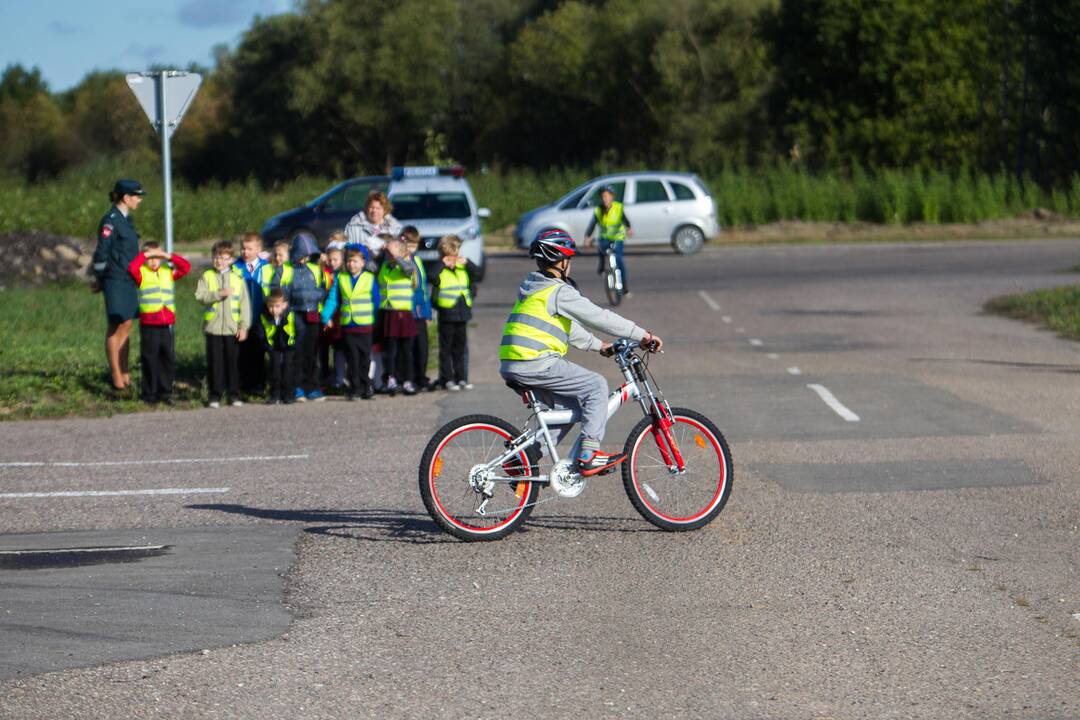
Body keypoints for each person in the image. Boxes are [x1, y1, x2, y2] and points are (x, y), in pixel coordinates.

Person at [499, 229, 662, 477]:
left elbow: (568, 328)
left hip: (515, 362)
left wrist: (600, 346)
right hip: (534, 361)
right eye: (569, 259)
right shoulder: (558, 291)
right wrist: (642, 335)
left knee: (569, 407)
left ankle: (525, 457)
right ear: (561, 261)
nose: (571, 264)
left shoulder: (535, 288)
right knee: (596, 386)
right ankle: (589, 455)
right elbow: (599, 317)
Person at [91, 179, 145, 393]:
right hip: (114, 279)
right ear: (126, 197)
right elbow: (102, 251)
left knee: (127, 324)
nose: (139, 200)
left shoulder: (127, 220)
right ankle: (115, 375)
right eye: (137, 196)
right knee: (116, 325)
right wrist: (99, 277)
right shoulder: (111, 220)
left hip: (129, 279)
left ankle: (125, 371)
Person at [127, 241, 191, 405]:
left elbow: (186, 267)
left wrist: (168, 256)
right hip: (149, 324)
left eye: (157, 257)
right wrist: (145, 255)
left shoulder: (167, 272)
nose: (154, 261)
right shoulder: (141, 273)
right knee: (150, 358)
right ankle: (149, 393)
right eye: (151, 258)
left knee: (167, 358)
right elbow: (132, 268)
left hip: (166, 323)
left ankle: (165, 391)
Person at [195, 240, 250, 408]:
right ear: (212, 258)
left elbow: (244, 305)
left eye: (224, 258)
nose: (220, 261)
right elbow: (200, 296)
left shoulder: (237, 278)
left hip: (232, 329)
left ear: (231, 260)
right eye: (217, 257)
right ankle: (215, 395)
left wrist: (243, 327)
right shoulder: (207, 276)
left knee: (233, 363)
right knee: (215, 363)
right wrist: (218, 294)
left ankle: (234, 394)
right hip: (213, 328)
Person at [321, 247, 380, 400]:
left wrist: (375, 319)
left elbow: (376, 301)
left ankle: (366, 386)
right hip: (348, 326)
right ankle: (355, 388)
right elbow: (334, 299)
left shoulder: (369, 278)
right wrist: (326, 316)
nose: (351, 264)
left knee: (365, 358)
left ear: (362, 263)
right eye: (349, 261)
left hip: (365, 326)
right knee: (352, 359)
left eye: (355, 261)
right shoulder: (342, 278)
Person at [431, 235, 480, 391]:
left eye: (456, 254)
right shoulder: (440, 269)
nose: (454, 258)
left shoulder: (463, 267)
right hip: (447, 314)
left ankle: (462, 378)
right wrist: (442, 264)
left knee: (460, 348)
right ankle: (447, 379)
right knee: (446, 349)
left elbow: (478, 274)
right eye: (450, 255)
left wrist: (468, 262)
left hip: (462, 313)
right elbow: (431, 277)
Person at [376, 234, 418, 396]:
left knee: (406, 350)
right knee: (391, 349)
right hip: (389, 313)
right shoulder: (385, 266)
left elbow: (408, 269)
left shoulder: (406, 266)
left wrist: (397, 256)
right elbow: (373, 268)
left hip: (404, 313)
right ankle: (391, 379)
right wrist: (383, 252)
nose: (389, 254)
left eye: (391, 251)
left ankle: (408, 380)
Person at [288, 234, 328, 402]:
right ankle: (297, 386)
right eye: (302, 255)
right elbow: (283, 290)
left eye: (308, 256)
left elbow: (323, 289)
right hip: (295, 313)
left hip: (312, 313)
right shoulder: (287, 270)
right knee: (297, 350)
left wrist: (316, 298)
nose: (304, 259)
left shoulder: (316, 270)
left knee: (312, 351)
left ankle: (311, 385)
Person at [235, 232, 269, 397]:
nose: (245, 252)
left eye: (249, 248)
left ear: (258, 249)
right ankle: (243, 384)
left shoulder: (266, 267)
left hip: (260, 318)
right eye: (243, 248)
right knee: (242, 353)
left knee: (259, 351)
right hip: (241, 319)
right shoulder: (236, 267)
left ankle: (259, 384)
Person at [583, 185, 633, 295]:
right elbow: (592, 224)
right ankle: (601, 267)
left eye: (606, 196)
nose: (604, 199)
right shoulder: (598, 210)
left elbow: (625, 220)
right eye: (602, 197)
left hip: (617, 238)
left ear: (611, 197)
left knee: (619, 261)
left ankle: (624, 287)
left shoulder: (618, 207)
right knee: (601, 249)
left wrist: (629, 228)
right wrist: (587, 237)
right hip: (604, 238)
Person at [402, 226, 433, 391]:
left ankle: (422, 377)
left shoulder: (418, 261)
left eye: (414, 245)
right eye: (408, 244)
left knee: (422, 346)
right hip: (406, 310)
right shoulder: (401, 262)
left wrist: (428, 312)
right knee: (409, 347)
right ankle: (410, 378)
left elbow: (423, 289)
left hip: (420, 310)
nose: (411, 248)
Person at [319, 246, 347, 393]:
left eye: (335, 259)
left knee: (341, 347)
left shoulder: (344, 274)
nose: (332, 262)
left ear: (342, 260)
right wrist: (325, 316)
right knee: (327, 348)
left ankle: (341, 377)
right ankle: (328, 377)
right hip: (328, 315)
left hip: (341, 316)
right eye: (329, 259)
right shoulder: (323, 273)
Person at [262, 289, 297, 405]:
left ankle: (288, 395)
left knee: (288, 370)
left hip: (288, 348)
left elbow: (300, 330)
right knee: (274, 371)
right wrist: (267, 346)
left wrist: (294, 344)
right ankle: (275, 395)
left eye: (277, 306)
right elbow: (261, 333)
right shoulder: (265, 317)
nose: (273, 309)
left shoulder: (291, 315)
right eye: (271, 306)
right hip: (274, 348)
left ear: (285, 305)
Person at [344, 191, 402, 258]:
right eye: (371, 207)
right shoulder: (353, 226)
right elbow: (346, 248)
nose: (374, 211)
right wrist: (363, 248)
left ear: (385, 210)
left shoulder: (395, 228)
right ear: (367, 208)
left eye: (378, 208)